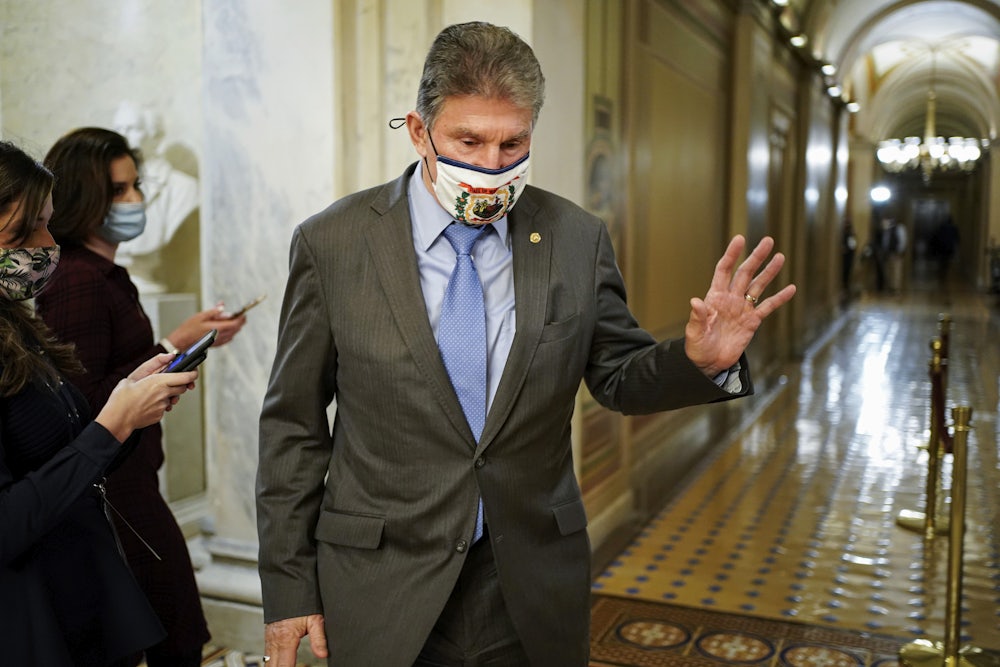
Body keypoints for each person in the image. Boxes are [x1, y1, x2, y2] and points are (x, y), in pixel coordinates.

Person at [256, 21, 796, 667]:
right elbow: (293, 426)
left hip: (527, 581)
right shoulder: (334, 243)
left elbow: (618, 375)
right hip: (381, 582)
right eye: (470, 140)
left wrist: (699, 361)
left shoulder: (573, 237)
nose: (491, 165)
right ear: (421, 130)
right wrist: (288, 587)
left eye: (513, 142)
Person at [34, 127, 247, 667]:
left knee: (176, 628)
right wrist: (171, 349)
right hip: (112, 490)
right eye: (120, 190)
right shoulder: (78, 278)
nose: (135, 202)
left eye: (136, 186)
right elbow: (81, 404)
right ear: (85, 197)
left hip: (131, 480)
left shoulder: (104, 273)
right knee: (170, 634)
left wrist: (180, 345)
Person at [0, 140, 199, 665]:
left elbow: (67, 436)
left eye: (48, 222)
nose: (49, 242)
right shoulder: (78, 284)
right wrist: (113, 421)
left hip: (81, 589)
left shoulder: (16, 324)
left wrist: (131, 399)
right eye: (26, 231)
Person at [841, 217, 857, 298]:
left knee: (846, 274)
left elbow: (852, 246)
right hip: (845, 259)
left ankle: (846, 288)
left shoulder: (850, 235)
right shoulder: (843, 234)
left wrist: (846, 249)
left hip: (848, 258)